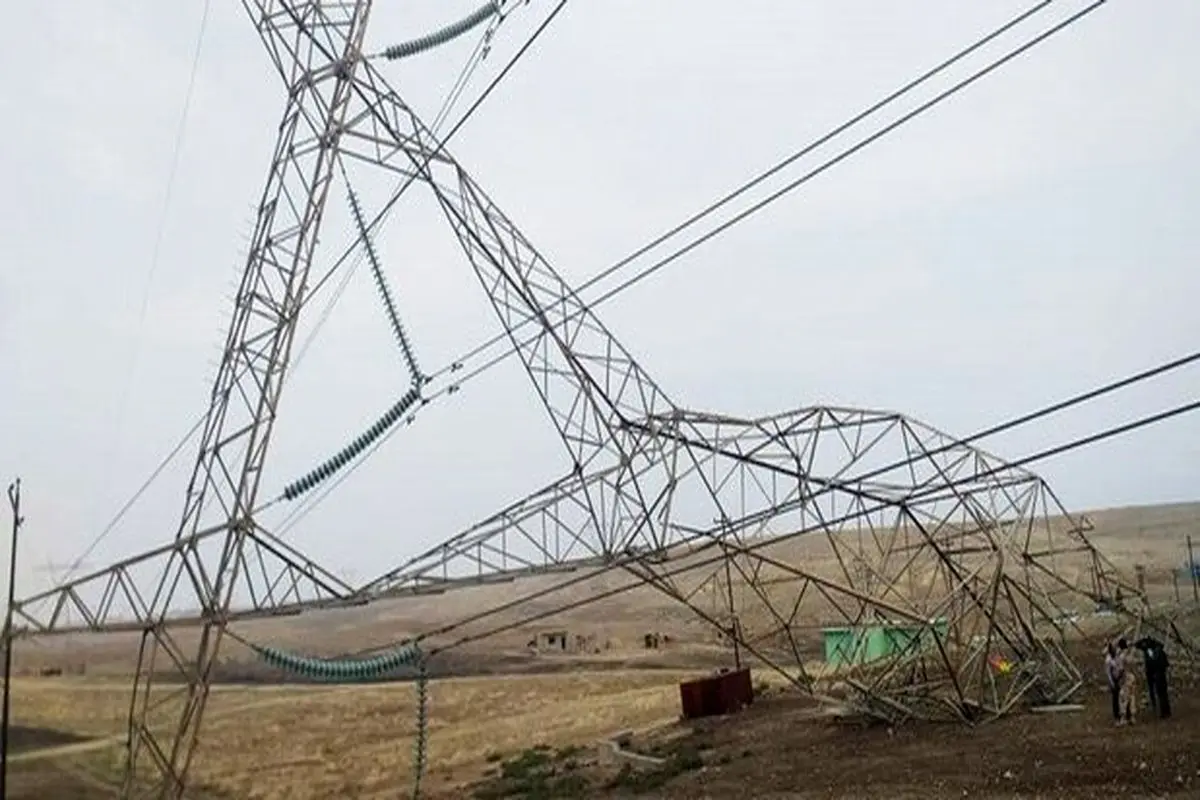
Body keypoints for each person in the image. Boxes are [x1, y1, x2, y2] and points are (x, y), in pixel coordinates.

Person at [1133, 635, 1171, 719]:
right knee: (1163, 694)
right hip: (1159, 674)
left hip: (1156, 674)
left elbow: (1153, 662)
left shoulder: (1153, 651)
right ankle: (1165, 711)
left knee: (1160, 694)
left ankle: (1163, 712)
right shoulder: (1156, 650)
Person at [1115, 637, 1137, 725]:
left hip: (1125, 678)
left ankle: (1123, 718)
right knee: (1132, 697)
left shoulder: (1121, 657)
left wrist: (1117, 677)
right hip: (1132, 677)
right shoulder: (1130, 655)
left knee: (1123, 698)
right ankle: (1132, 717)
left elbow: (1121, 669)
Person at [1103, 642, 1121, 722]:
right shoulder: (1108, 660)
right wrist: (1112, 683)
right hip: (1114, 679)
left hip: (1119, 677)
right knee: (1115, 698)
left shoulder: (1116, 657)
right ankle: (1116, 714)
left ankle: (1122, 713)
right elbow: (1108, 673)